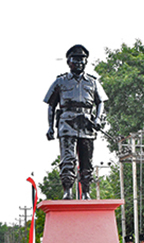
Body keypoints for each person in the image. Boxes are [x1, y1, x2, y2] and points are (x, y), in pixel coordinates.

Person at [44, 44, 108, 200]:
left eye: (82, 59)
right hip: (67, 123)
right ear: (68, 61)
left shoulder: (92, 82)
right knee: (68, 159)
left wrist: (98, 118)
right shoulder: (60, 82)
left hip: (86, 123)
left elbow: (100, 102)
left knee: (87, 160)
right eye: (75, 59)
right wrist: (50, 127)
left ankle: (86, 191)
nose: (79, 62)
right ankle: (68, 190)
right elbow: (51, 105)